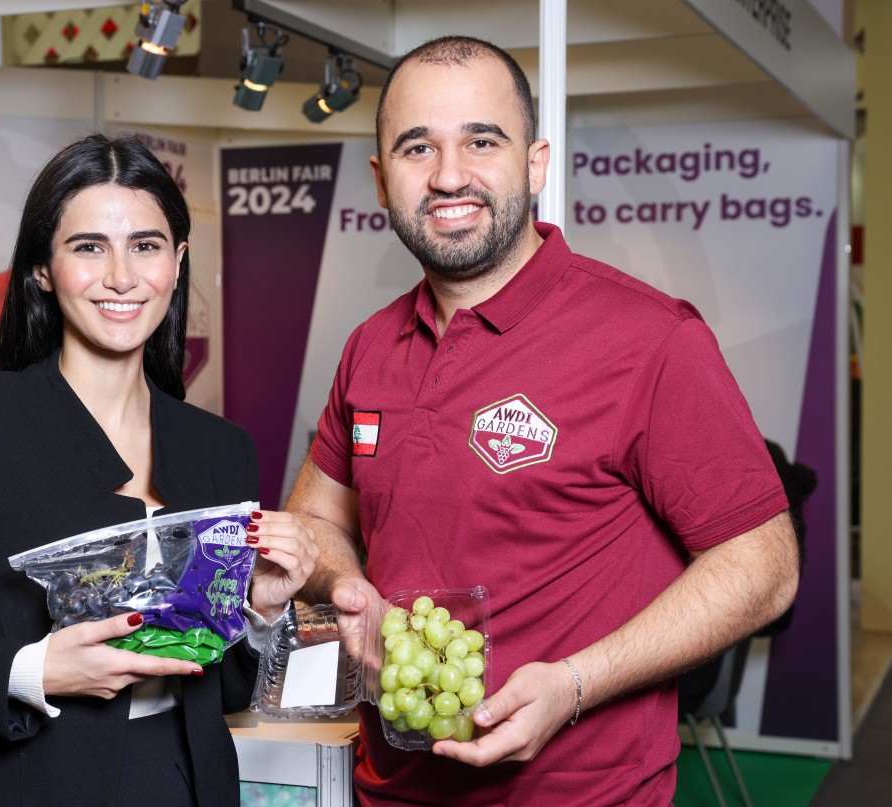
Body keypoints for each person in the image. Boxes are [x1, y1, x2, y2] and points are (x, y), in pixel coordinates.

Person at [286, 36, 800, 805]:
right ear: (380, 180)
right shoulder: (369, 348)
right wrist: (352, 592)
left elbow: (765, 568)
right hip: (388, 787)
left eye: (481, 140)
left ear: (534, 162)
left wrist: (576, 683)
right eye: (417, 146)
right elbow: (315, 518)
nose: (449, 174)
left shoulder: (650, 339)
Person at [0, 134, 318, 807]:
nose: (121, 275)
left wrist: (261, 610)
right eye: (89, 246)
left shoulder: (219, 448)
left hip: (179, 784)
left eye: (146, 245)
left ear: (176, 263)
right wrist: (35, 668)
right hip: (13, 784)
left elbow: (218, 687)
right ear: (42, 267)